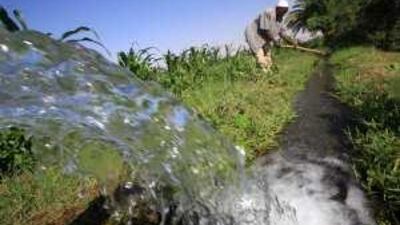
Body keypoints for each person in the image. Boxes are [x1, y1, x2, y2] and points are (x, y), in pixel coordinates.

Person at [245, 0, 297, 71]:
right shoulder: (268, 13)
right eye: (283, 11)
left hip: (265, 37)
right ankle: (263, 72)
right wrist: (275, 41)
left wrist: (291, 41)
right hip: (254, 34)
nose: (284, 14)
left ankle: (268, 71)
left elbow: (282, 33)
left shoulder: (280, 19)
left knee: (268, 56)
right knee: (260, 54)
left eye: (285, 12)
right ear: (278, 8)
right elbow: (264, 30)